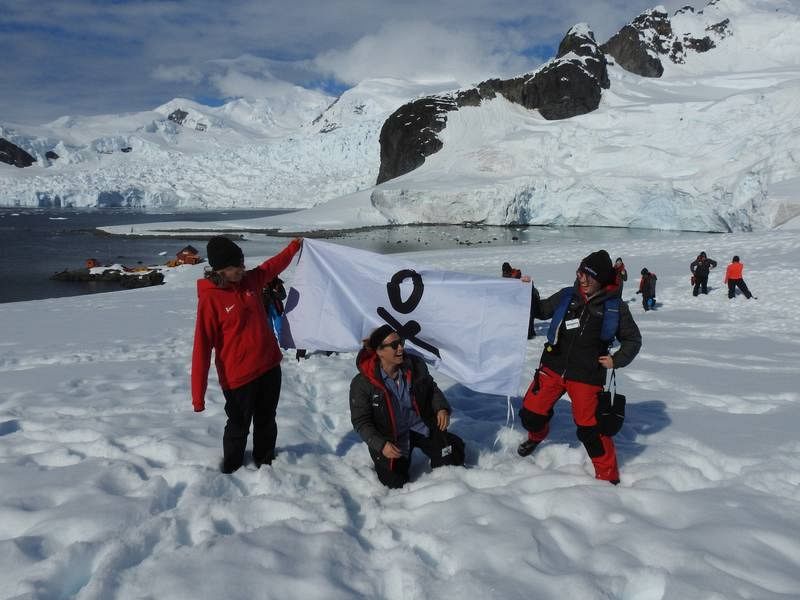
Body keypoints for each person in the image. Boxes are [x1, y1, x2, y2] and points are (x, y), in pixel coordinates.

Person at [517, 250, 641, 484]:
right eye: (580, 273)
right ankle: (537, 435)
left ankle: (608, 476)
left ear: (601, 279)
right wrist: (527, 291)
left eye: (588, 275)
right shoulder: (568, 295)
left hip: (587, 375)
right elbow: (541, 310)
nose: (582, 279)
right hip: (553, 366)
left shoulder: (615, 307)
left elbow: (633, 340)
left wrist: (617, 359)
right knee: (531, 415)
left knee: (590, 430)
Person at [192, 235, 303, 473]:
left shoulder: (250, 281)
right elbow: (201, 348)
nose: (243, 270)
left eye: (243, 264)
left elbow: (272, 266)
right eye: (237, 267)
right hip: (238, 379)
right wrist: (198, 397)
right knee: (238, 426)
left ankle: (266, 465)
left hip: (269, 367)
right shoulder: (210, 299)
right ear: (221, 269)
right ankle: (232, 470)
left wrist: (294, 247)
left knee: (266, 420)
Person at [349, 325, 465, 488]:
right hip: (391, 438)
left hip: (421, 426)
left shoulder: (415, 365)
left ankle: (449, 442)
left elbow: (431, 389)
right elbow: (361, 421)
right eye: (394, 345)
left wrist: (441, 408)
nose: (400, 348)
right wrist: (381, 445)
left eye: (401, 342)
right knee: (395, 483)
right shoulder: (362, 383)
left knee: (451, 457)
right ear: (380, 351)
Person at [502, 261, 539, 338]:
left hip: (529, 298)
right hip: (518, 300)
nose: (504, 273)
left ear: (509, 270)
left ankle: (530, 333)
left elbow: (529, 284)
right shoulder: (506, 277)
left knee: (529, 315)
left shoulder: (516, 276)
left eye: (506, 271)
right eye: (504, 271)